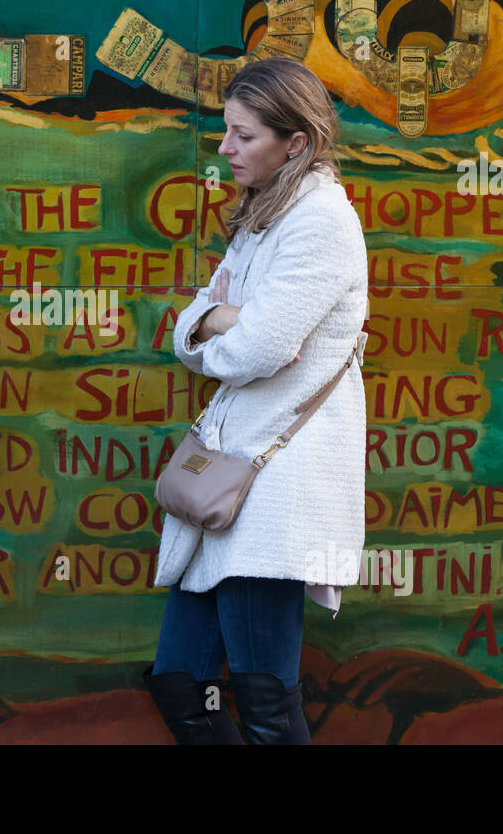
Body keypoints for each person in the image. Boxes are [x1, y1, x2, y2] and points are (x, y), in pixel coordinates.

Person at [145, 57, 368, 744]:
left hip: (273, 492)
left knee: (264, 697)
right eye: (226, 132)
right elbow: (190, 328)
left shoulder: (320, 220)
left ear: (294, 142)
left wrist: (225, 322)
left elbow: (255, 353)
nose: (225, 148)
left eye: (244, 136)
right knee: (181, 683)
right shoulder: (266, 216)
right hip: (230, 483)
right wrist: (219, 318)